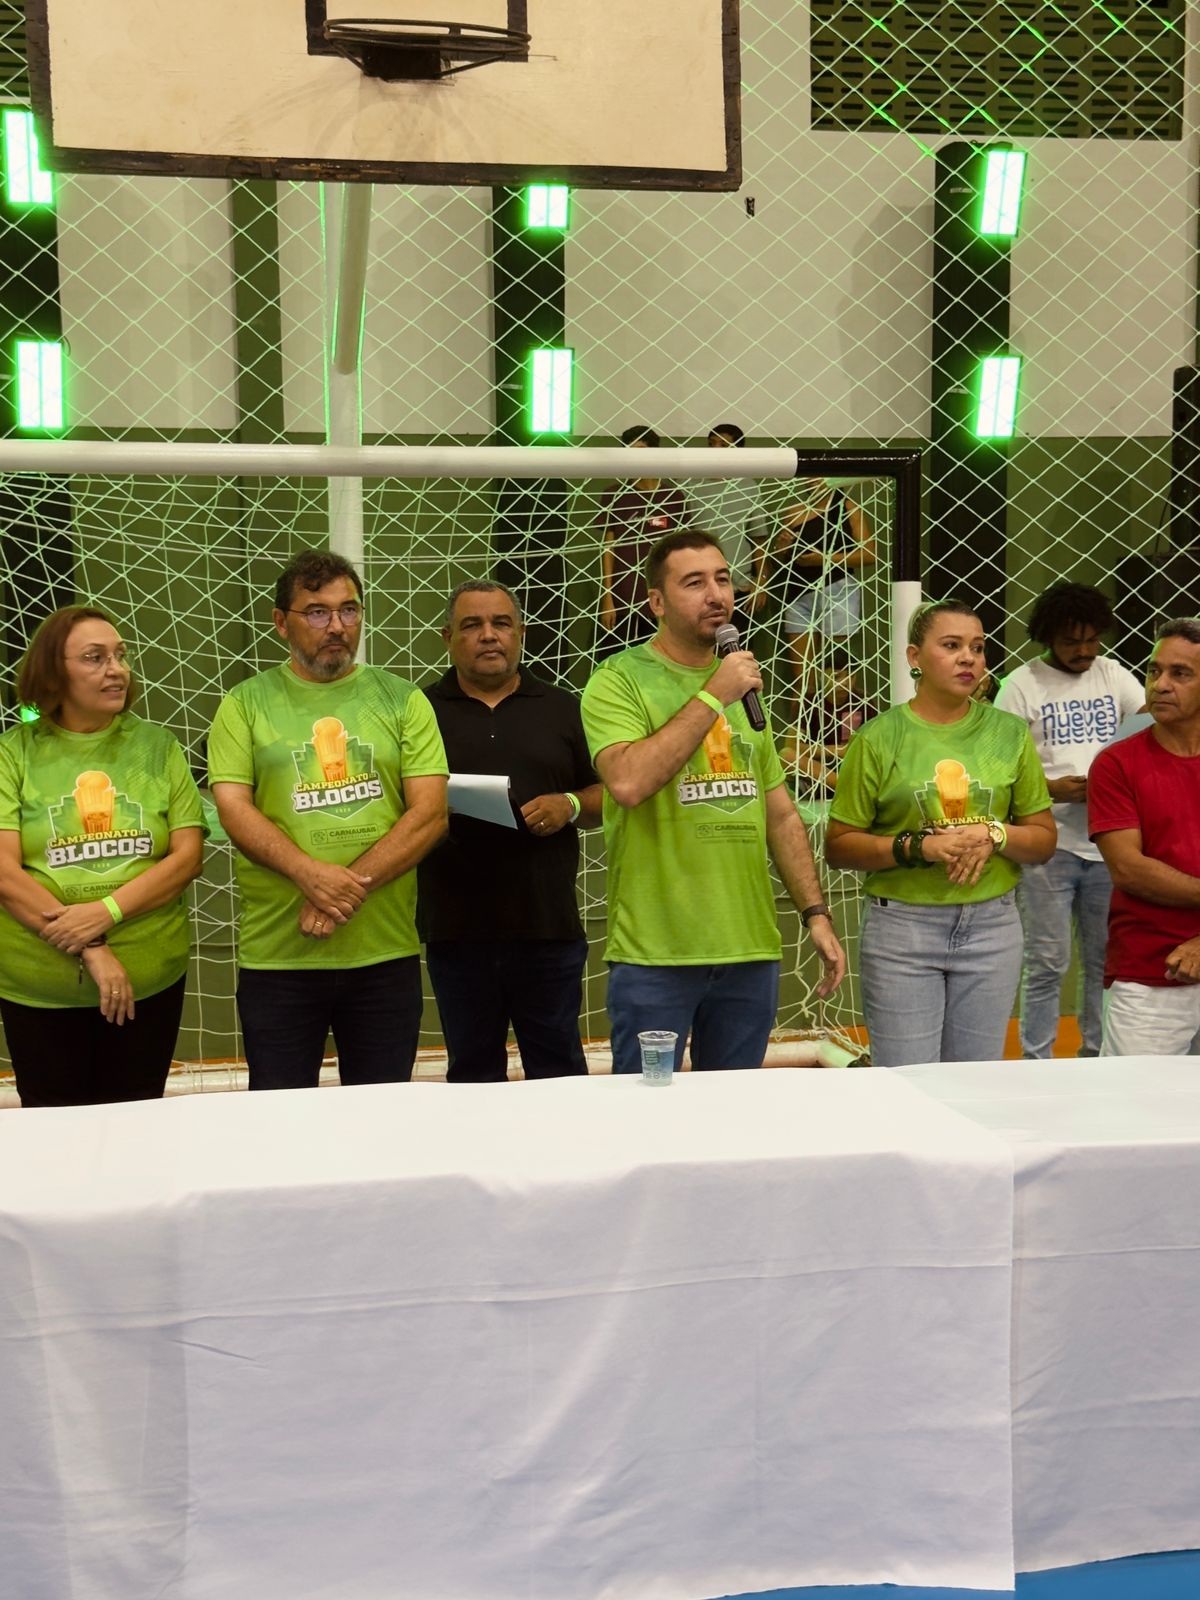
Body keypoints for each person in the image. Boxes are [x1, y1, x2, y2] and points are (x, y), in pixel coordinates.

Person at [581, 529, 846, 1075]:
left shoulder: (743, 683)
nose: (716, 595)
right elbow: (627, 782)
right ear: (657, 602)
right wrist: (712, 694)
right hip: (657, 954)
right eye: (694, 583)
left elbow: (780, 814)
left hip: (749, 950)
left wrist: (816, 915)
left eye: (723, 579)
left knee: (736, 1115)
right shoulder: (618, 680)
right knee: (648, 1110)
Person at [208, 550, 448, 1090]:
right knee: (281, 1120)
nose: (337, 626)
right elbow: (234, 810)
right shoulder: (244, 704)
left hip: (383, 955)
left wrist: (340, 890)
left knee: (382, 1119)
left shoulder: (404, 699)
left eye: (349, 610)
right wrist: (308, 875)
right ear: (281, 622)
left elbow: (430, 814)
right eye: (317, 612)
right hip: (279, 959)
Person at [825, 598, 1055, 1068]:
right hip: (903, 930)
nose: (968, 658)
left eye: (978, 647)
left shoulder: (1010, 734)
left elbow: (1044, 840)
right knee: (907, 1085)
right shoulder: (878, 737)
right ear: (914, 657)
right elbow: (839, 846)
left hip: (993, 927)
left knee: (973, 1086)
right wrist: (919, 846)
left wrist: (995, 833)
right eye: (951, 646)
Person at [0, 606, 206, 1106]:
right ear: (54, 671)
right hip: (40, 990)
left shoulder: (158, 747)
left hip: (149, 982)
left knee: (137, 1131)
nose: (117, 670)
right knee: (57, 1135)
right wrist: (92, 946)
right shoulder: (13, 752)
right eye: (95, 658)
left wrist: (106, 912)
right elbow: (4, 873)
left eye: (120, 655)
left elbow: (187, 858)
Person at [418, 580, 603, 1081]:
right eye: (472, 625)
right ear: (447, 638)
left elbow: (610, 793)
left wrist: (569, 804)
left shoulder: (564, 707)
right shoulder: (420, 711)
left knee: (559, 1076)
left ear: (520, 633)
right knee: (472, 1078)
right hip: (456, 932)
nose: (488, 635)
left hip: (549, 930)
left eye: (501, 623)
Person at [995, 582, 1144, 1058]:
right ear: (1047, 637)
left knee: (1103, 961)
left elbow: (1147, 733)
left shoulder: (1114, 675)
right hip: (1048, 846)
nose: (1084, 651)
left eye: (1092, 640)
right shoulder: (1020, 686)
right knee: (1047, 961)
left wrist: (1113, 783)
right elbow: (1000, 770)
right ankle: (1037, 1061)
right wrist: (1051, 789)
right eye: (1071, 641)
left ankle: (1096, 1056)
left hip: (1108, 844)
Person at [1088, 618, 1200, 1056]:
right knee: (1132, 1101)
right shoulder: (1116, 764)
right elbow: (1129, 869)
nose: (1161, 684)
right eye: (1155, 671)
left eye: (1180, 673)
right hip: (1151, 975)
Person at [772, 479, 875, 763]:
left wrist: (823, 559)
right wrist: (782, 546)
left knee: (838, 672)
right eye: (808, 475)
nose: (812, 479)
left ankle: (845, 749)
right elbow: (778, 560)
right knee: (803, 682)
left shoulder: (847, 507)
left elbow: (869, 553)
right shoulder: (792, 511)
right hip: (798, 595)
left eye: (818, 474)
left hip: (838, 591)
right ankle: (797, 752)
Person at [597, 425, 688, 655]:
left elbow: (682, 551)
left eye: (640, 450)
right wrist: (607, 596)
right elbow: (608, 548)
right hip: (623, 596)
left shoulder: (674, 497)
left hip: (663, 598)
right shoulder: (614, 494)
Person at [684, 423, 768, 634]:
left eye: (723, 444)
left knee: (736, 647)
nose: (716, 449)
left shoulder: (748, 486)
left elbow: (759, 539)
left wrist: (761, 582)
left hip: (738, 586)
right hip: (698, 585)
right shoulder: (688, 485)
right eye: (711, 444)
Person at [790, 648, 877, 796]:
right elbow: (792, 745)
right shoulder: (808, 702)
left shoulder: (864, 701)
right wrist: (837, 751)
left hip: (853, 768)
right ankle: (845, 788)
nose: (845, 682)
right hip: (819, 771)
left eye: (851, 676)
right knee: (787, 756)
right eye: (836, 677)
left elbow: (876, 745)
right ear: (820, 675)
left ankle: (850, 787)